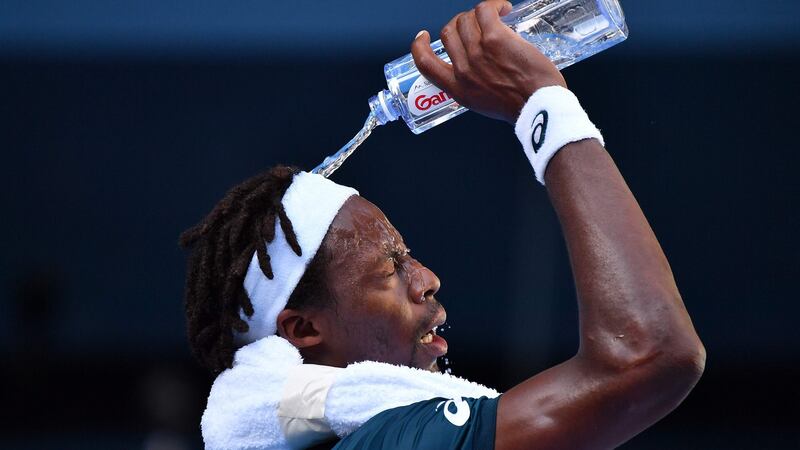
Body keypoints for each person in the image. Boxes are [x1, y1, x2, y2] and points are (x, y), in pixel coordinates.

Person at [179, 1, 705, 449]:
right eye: (391, 265)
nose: (426, 278)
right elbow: (649, 356)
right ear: (304, 329)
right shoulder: (391, 441)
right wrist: (543, 105)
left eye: (407, 256)